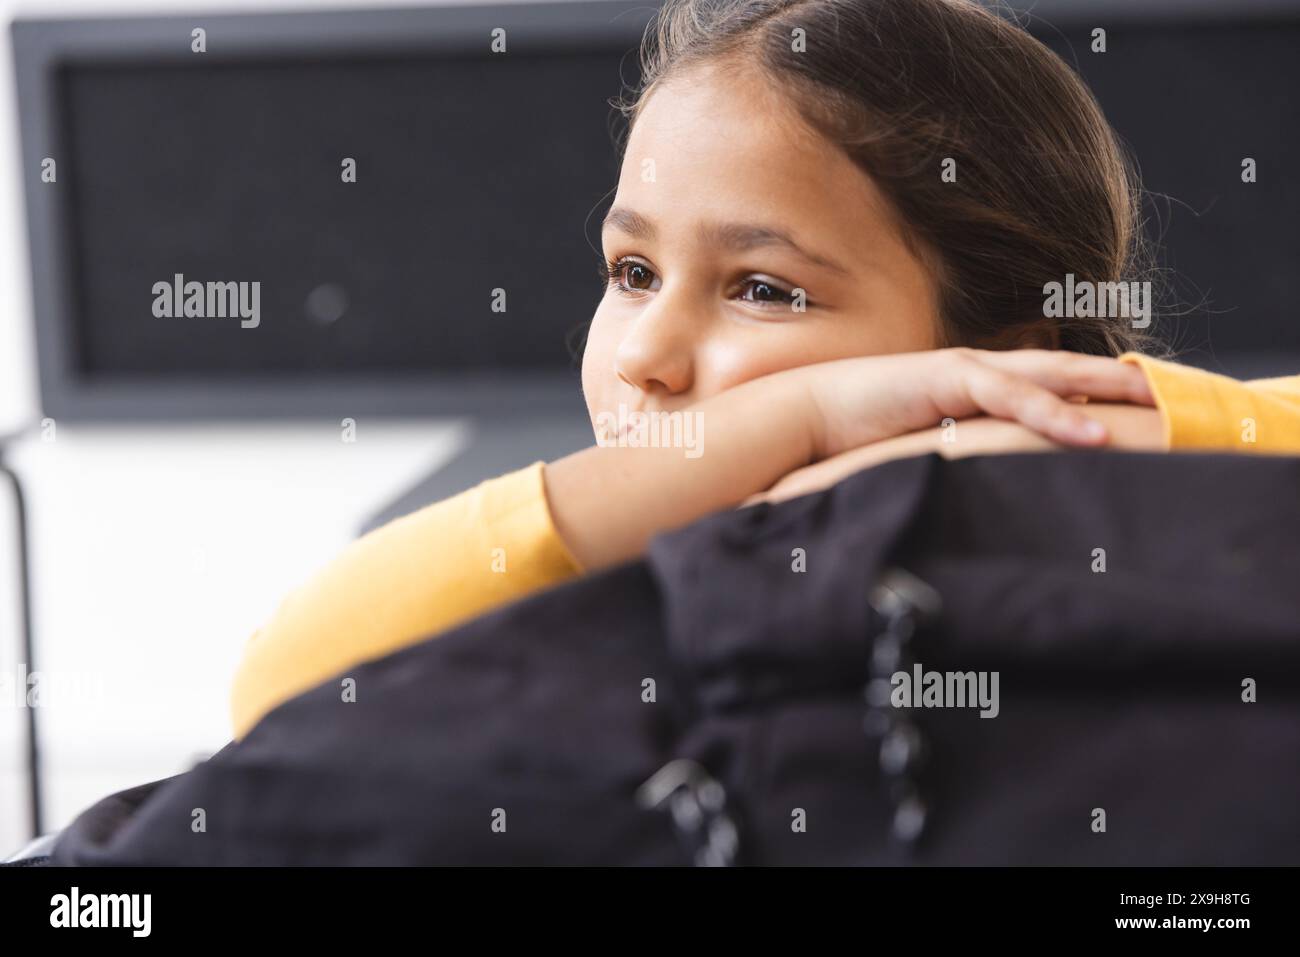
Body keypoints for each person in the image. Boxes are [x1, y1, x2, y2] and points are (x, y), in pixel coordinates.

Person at [229, 0, 1300, 740]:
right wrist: (798, 415)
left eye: (764, 289)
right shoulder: (616, 598)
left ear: (1003, 362)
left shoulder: (1105, 609)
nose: (643, 353)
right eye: (633, 270)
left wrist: (1080, 427)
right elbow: (285, 683)